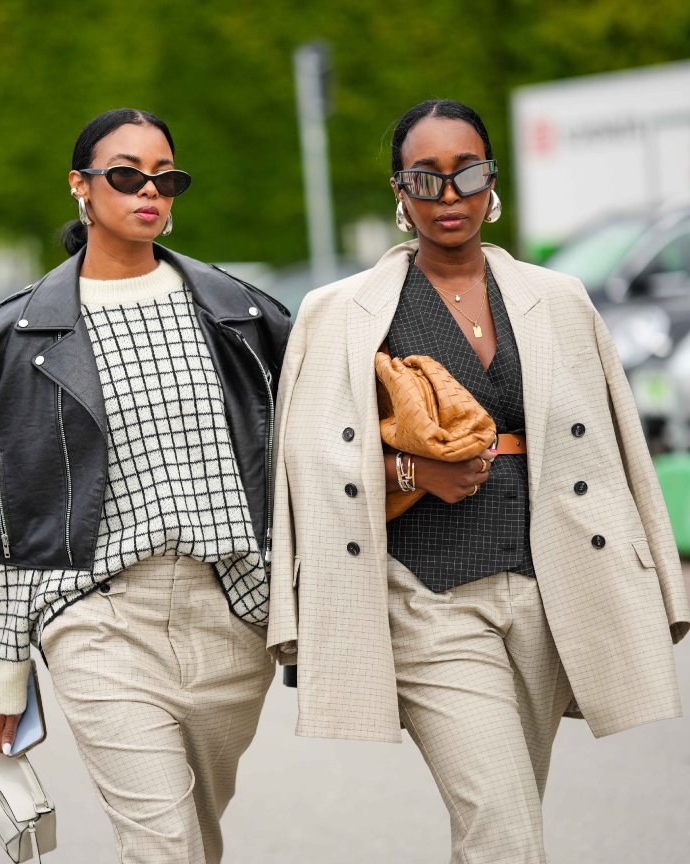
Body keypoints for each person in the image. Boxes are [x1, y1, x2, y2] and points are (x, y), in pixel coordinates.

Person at [268, 99, 689, 863]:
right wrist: (408, 468)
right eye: (426, 178)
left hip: (548, 588)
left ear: (491, 181)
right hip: (424, 602)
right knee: (502, 823)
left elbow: (618, 446)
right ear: (399, 192)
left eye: (466, 173)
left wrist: (656, 574)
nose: (449, 194)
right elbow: (307, 464)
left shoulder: (559, 299)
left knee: (506, 823)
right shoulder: (338, 313)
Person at [0, 108, 291, 864]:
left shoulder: (241, 316)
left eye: (167, 178)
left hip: (234, 613)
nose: (149, 191)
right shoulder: (11, 341)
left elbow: (308, 465)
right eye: (126, 175)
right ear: (80, 187)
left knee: (196, 836)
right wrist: (0, 673)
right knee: (162, 843)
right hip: (96, 619)